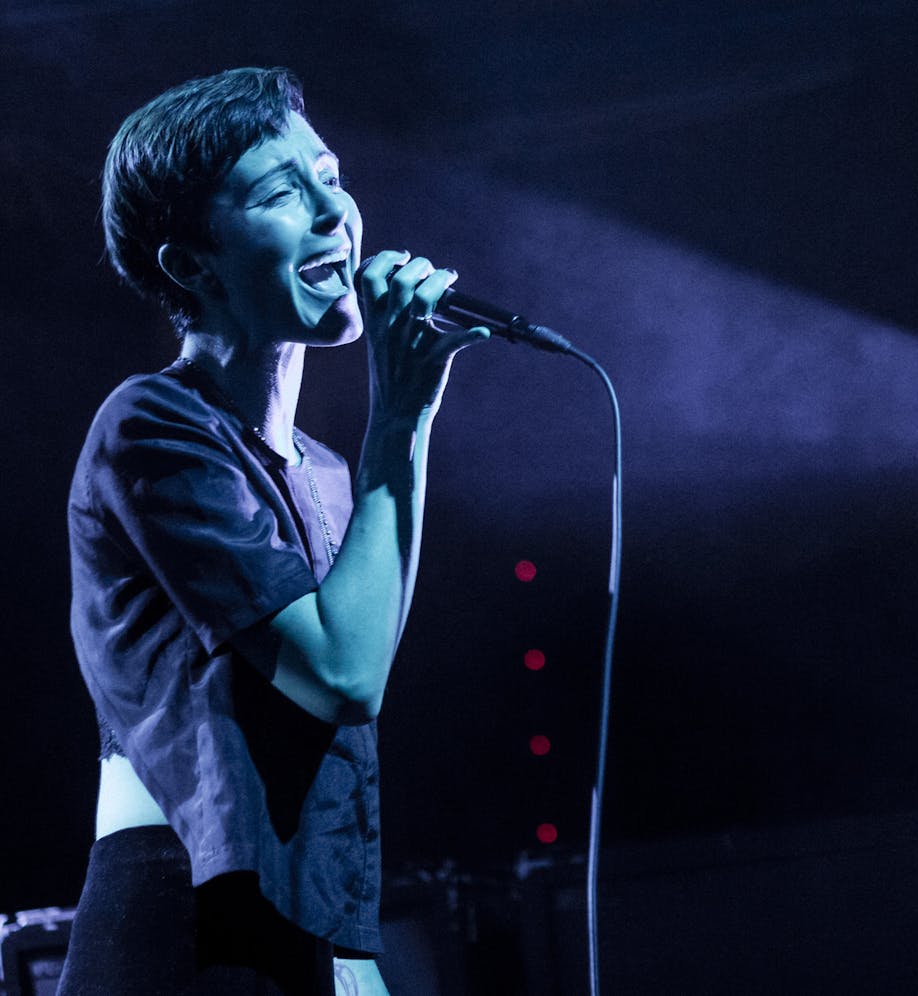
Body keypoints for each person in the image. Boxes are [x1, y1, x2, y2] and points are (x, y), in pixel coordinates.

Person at [59, 67, 488, 995]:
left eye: (331, 175)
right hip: (180, 909)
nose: (336, 209)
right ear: (192, 263)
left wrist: (349, 966)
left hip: (304, 912)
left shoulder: (330, 471)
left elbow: (347, 690)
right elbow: (341, 674)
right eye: (282, 193)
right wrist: (402, 419)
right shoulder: (150, 426)